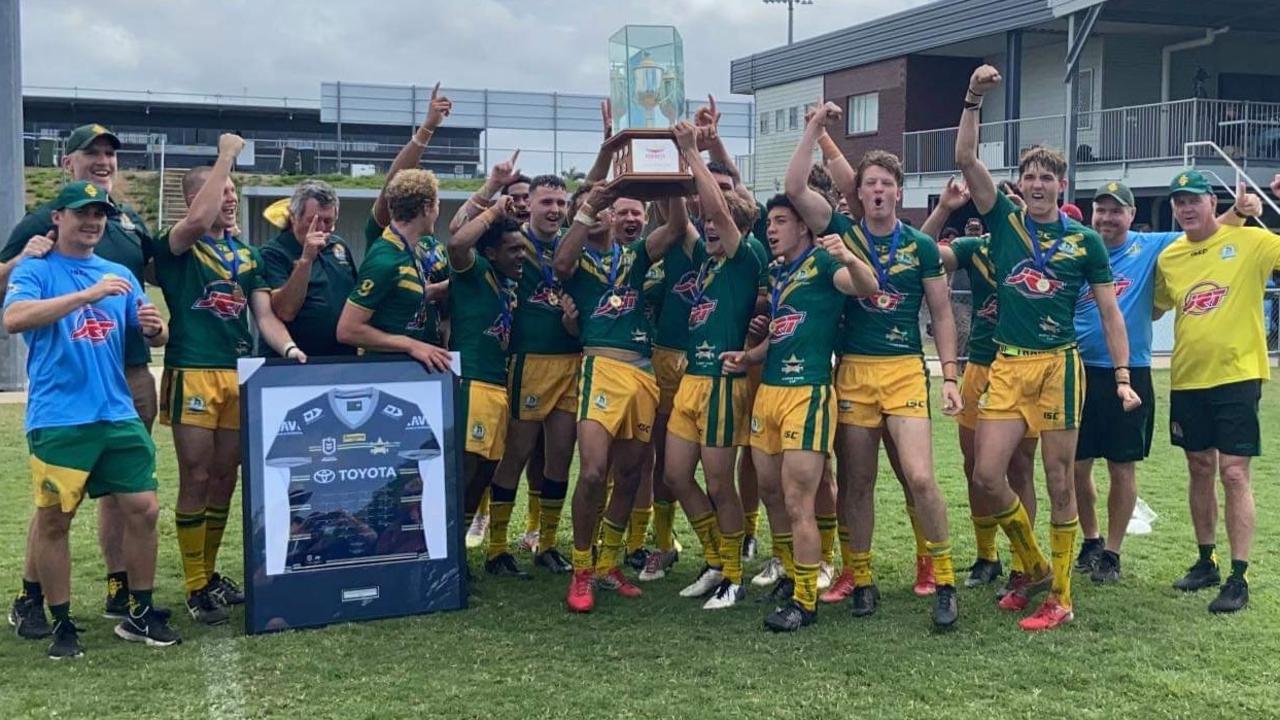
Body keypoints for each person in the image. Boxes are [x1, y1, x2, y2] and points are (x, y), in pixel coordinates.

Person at [956, 64, 1139, 632]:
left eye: (1047, 178)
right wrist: (973, 97)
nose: (1037, 185)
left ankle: (1059, 593)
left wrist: (1125, 375)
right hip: (1008, 364)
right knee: (988, 475)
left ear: (1061, 186)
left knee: (1061, 480)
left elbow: (1109, 309)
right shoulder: (1004, 223)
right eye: (1030, 176)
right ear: (1020, 184)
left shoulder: (1084, 240)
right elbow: (965, 157)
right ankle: (1032, 564)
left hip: (1060, 365)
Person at [785, 103, 964, 628]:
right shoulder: (841, 230)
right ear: (857, 193)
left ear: (899, 192)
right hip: (854, 372)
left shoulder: (921, 245)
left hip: (906, 369)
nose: (879, 191)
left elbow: (942, 313)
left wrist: (949, 376)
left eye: (887, 183)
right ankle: (862, 579)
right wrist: (815, 131)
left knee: (922, 478)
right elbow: (796, 188)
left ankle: (945, 578)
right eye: (871, 185)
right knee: (857, 483)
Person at [5, 181, 176, 657]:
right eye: (82, 213)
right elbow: (15, 319)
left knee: (144, 509)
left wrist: (155, 330)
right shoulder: (37, 269)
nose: (92, 221)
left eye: (99, 213)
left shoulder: (117, 273)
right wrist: (86, 295)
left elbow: (150, 333)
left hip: (116, 412)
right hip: (60, 418)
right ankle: (61, 623)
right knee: (56, 520)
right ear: (57, 218)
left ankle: (138, 613)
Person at [155, 134, 308, 625]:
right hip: (193, 370)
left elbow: (265, 313)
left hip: (237, 372)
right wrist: (225, 155)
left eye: (234, 195)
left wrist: (286, 347)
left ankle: (211, 570)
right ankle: (195, 582)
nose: (229, 201)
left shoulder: (247, 254)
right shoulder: (179, 243)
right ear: (195, 198)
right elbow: (197, 220)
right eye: (221, 193)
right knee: (196, 476)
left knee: (225, 477)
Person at [1073, 180, 1258, 583]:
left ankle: (1112, 552)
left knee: (1122, 464)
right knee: (1074, 463)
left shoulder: (1154, 246)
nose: (1107, 217)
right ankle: (1090, 539)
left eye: (1116, 210)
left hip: (1130, 370)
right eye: (1100, 210)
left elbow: (1206, 230)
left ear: (1131, 215)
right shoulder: (1078, 247)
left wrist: (1241, 211)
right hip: (1075, 367)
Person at [721, 194, 878, 633]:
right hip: (768, 391)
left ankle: (806, 601)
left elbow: (867, 286)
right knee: (770, 492)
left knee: (797, 499)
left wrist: (847, 253)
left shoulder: (825, 262)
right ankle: (792, 571)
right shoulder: (778, 270)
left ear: (804, 227)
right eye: (769, 222)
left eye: (781, 222)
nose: (771, 230)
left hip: (806, 392)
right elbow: (783, 330)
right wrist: (750, 356)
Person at [553, 171, 690, 614]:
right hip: (601, 368)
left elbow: (672, 229)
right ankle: (581, 568)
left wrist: (669, 178)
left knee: (633, 472)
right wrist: (588, 206)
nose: (597, 216)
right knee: (593, 472)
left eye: (602, 210)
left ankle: (609, 563)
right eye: (587, 211)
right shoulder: (573, 255)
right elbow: (560, 266)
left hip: (643, 372)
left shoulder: (633, 255)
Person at [652, 121, 769, 609]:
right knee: (676, 476)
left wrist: (692, 154)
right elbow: (684, 214)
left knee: (720, 482)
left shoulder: (746, 257)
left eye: (720, 228)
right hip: (692, 383)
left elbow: (717, 209)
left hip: (723, 382)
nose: (711, 233)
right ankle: (717, 558)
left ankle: (734, 574)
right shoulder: (707, 261)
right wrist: (675, 162)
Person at [1154, 169, 1280, 614]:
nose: (1186, 208)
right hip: (1188, 378)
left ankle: (1239, 576)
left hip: (1237, 375)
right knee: (1199, 466)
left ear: (1213, 202)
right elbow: (1153, 307)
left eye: (1194, 199)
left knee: (1234, 473)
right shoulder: (1170, 256)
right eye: (1179, 201)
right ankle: (1206, 560)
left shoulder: (1254, 243)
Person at [924, 179, 1040, 594]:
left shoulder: (1038, 246)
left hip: (1026, 368)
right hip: (980, 365)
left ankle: (1025, 561)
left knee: (1021, 467)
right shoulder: (978, 249)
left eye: (1014, 204)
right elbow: (921, 252)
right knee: (976, 468)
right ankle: (986, 555)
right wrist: (942, 209)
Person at [482, 174, 581, 575]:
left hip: (571, 360)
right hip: (530, 360)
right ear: (530, 204)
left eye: (561, 203)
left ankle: (548, 543)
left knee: (560, 455)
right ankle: (497, 547)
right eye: (547, 202)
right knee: (517, 453)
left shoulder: (571, 245)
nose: (555, 210)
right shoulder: (512, 240)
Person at [445, 199, 528, 577]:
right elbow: (459, 244)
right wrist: (493, 210)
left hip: (498, 385)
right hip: (473, 382)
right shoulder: (474, 269)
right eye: (513, 249)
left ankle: (456, 551)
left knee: (485, 472)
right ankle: (446, 555)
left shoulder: (505, 282)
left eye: (523, 248)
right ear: (492, 251)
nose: (520, 255)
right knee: (466, 470)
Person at [259, 180, 357, 358]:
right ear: (293, 217)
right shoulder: (272, 253)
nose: (320, 228)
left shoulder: (338, 246)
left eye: (328, 221)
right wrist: (306, 260)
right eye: (313, 220)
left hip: (341, 359)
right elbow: (285, 311)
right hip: (295, 363)